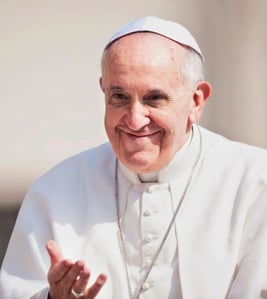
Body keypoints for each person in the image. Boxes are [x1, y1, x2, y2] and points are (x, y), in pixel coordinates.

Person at [0, 15, 267, 299]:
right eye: (119, 97)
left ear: (196, 101)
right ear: (104, 91)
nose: (135, 119)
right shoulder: (54, 191)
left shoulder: (254, 181)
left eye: (154, 98)